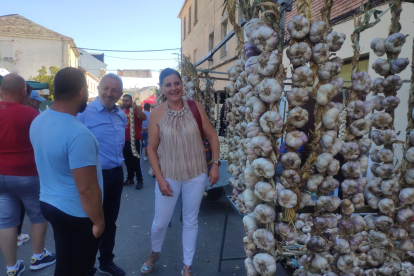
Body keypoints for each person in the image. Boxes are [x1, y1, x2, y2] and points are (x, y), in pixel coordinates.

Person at [140, 68, 220, 276]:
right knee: (160, 222)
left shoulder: (195, 107)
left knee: (191, 220)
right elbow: (151, 148)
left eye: (177, 83)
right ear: (162, 88)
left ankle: (187, 265)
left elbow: (212, 136)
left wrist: (215, 165)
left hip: (196, 174)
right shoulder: (157, 112)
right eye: (168, 84)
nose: (174, 88)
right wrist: (159, 178)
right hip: (169, 175)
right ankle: (154, 253)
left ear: (182, 85)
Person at [30, 67, 104, 276]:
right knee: (75, 268)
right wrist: (99, 222)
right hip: (75, 212)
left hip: (49, 202)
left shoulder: (38, 121)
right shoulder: (78, 133)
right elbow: (87, 188)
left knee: (66, 261)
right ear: (81, 92)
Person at [0, 74, 56, 276]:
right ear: (23, 92)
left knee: (5, 221)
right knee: (38, 215)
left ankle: (11, 267)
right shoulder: (31, 114)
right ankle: (38, 256)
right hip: (28, 174)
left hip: (0, 175)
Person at [77, 73, 127, 276]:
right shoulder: (84, 113)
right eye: (106, 88)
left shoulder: (121, 115)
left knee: (110, 222)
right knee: (90, 222)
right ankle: (86, 266)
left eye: (114, 90)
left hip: (116, 175)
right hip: (94, 177)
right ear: (98, 89)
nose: (109, 93)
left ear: (120, 93)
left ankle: (106, 261)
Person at [121, 94, 147, 189]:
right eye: (123, 100)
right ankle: (130, 179)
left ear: (131, 102)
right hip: (124, 141)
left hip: (135, 141)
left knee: (136, 161)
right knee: (127, 161)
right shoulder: (122, 113)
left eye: (127, 100)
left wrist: (136, 109)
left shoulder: (136, 111)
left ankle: (140, 180)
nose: (125, 102)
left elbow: (144, 117)